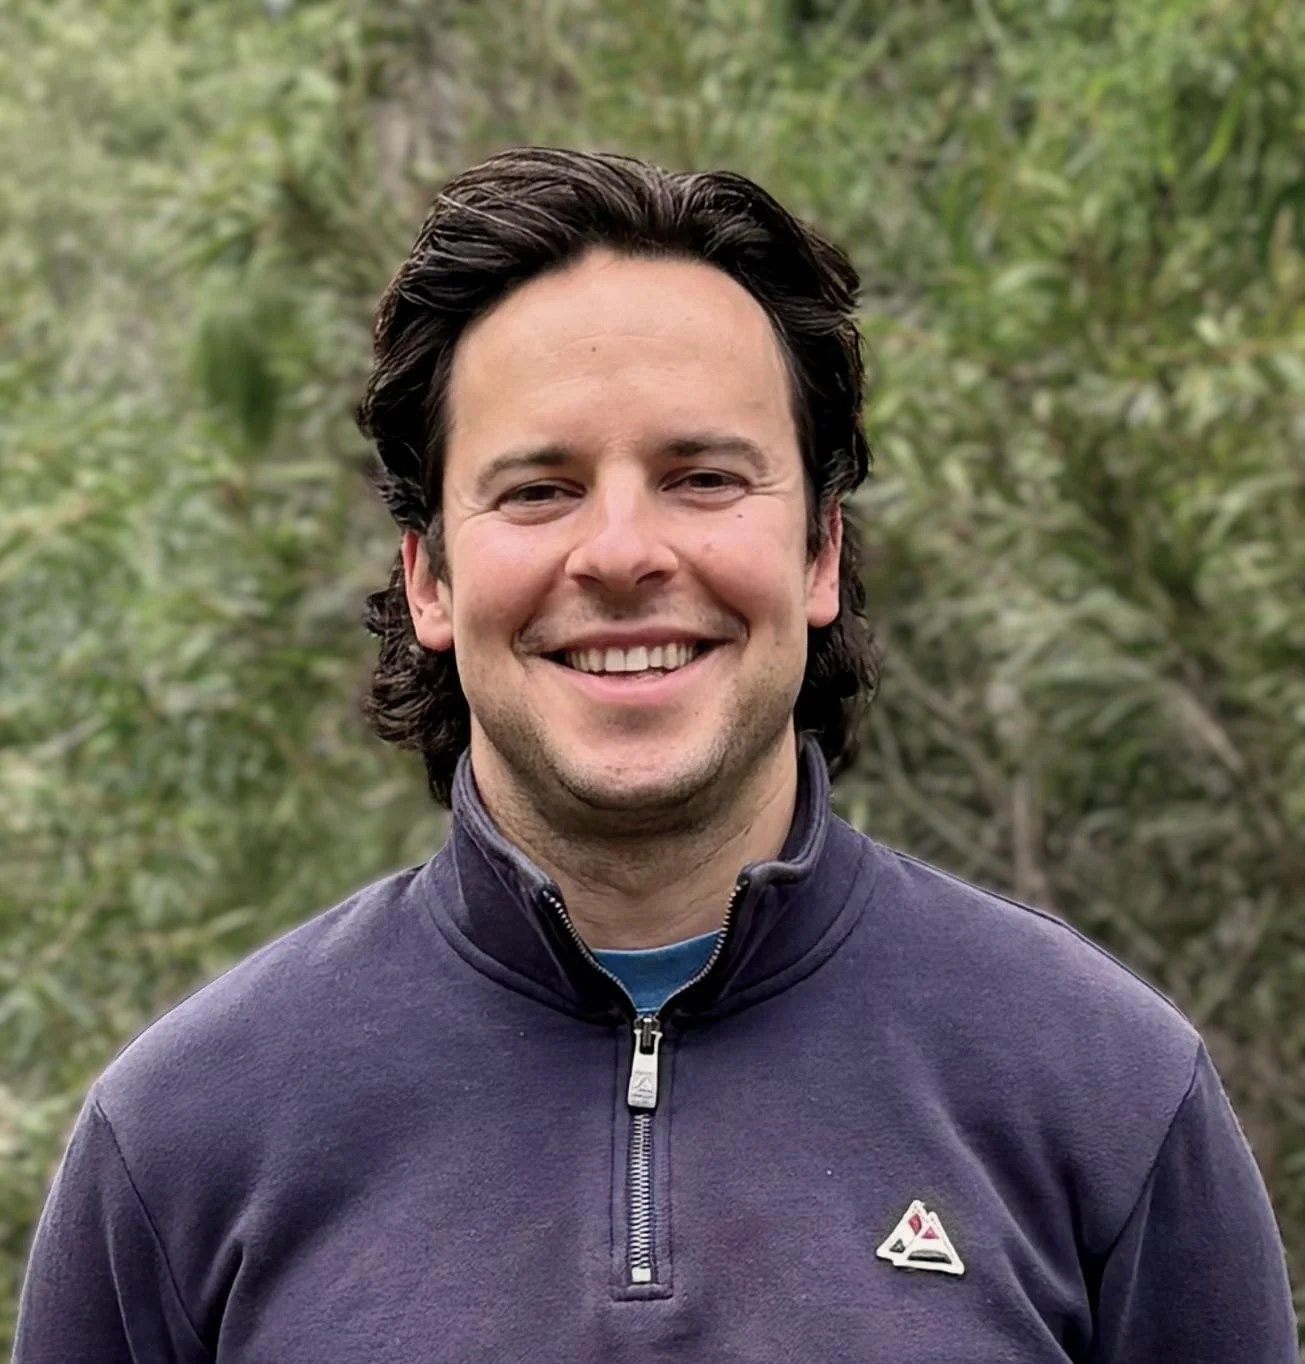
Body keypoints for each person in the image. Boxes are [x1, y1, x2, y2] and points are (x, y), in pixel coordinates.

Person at [16, 146, 1297, 1362]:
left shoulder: (1107, 1091)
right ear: (430, 579)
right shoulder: (183, 1138)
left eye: (703, 477)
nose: (624, 552)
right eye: (539, 489)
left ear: (820, 552)